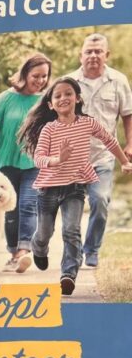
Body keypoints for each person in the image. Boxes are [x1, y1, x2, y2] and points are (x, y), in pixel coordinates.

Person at [18, 77, 132, 296]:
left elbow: (109, 140)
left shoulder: (88, 123)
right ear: (50, 104)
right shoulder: (49, 130)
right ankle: (38, 248)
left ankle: (68, 275)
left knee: (71, 230)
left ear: (77, 98)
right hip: (48, 188)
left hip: (75, 187)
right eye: (58, 95)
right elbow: (38, 159)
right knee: (44, 232)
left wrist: (124, 161)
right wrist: (57, 160)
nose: (63, 98)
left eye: (68, 93)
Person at [0, 52, 52, 273]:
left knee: (28, 205)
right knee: (10, 211)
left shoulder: (46, 101)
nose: (40, 81)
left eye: (44, 76)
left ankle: (23, 252)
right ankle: (13, 251)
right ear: (25, 74)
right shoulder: (5, 98)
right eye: (36, 75)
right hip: (7, 162)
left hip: (33, 162)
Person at [72, 34, 132, 268]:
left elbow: (128, 114)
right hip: (72, 158)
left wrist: (129, 144)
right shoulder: (69, 81)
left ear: (107, 55)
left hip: (104, 156)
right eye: (89, 51)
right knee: (72, 209)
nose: (93, 56)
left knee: (100, 200)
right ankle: (73, 252)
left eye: (98, 51)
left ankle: (92, 249)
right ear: (81, 55)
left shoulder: (118, 80)